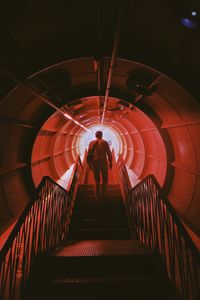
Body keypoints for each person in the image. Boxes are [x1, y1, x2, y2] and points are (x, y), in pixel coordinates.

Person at [87, 131, 112, 201]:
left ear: (95, 135)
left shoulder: (91, 143)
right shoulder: (104, 142)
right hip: (103, 162)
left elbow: (88, 154)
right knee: (105, 179)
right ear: (101, 135)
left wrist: (89, 164)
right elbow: (109, 153)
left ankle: (97, 196)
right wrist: (110, 162)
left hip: (95, 163)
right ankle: (103, 194)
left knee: (96, 180)